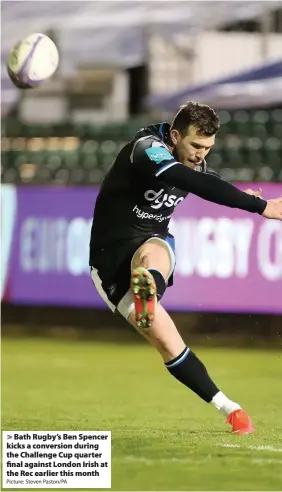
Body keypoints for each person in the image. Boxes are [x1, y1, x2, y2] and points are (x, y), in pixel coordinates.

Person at [89, 102, 282, 435]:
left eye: (207, 148)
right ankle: (144, 289)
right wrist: (259, 206)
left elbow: (207, 179)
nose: (199, 155)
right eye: (195, 146)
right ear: (175, 135)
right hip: (108, 259)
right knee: (166, 342)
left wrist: (239, 193)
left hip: (151, 243)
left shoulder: (193, 161)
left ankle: (232, 411)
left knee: (152, 259)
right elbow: (185, 178)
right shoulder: (146, 148)